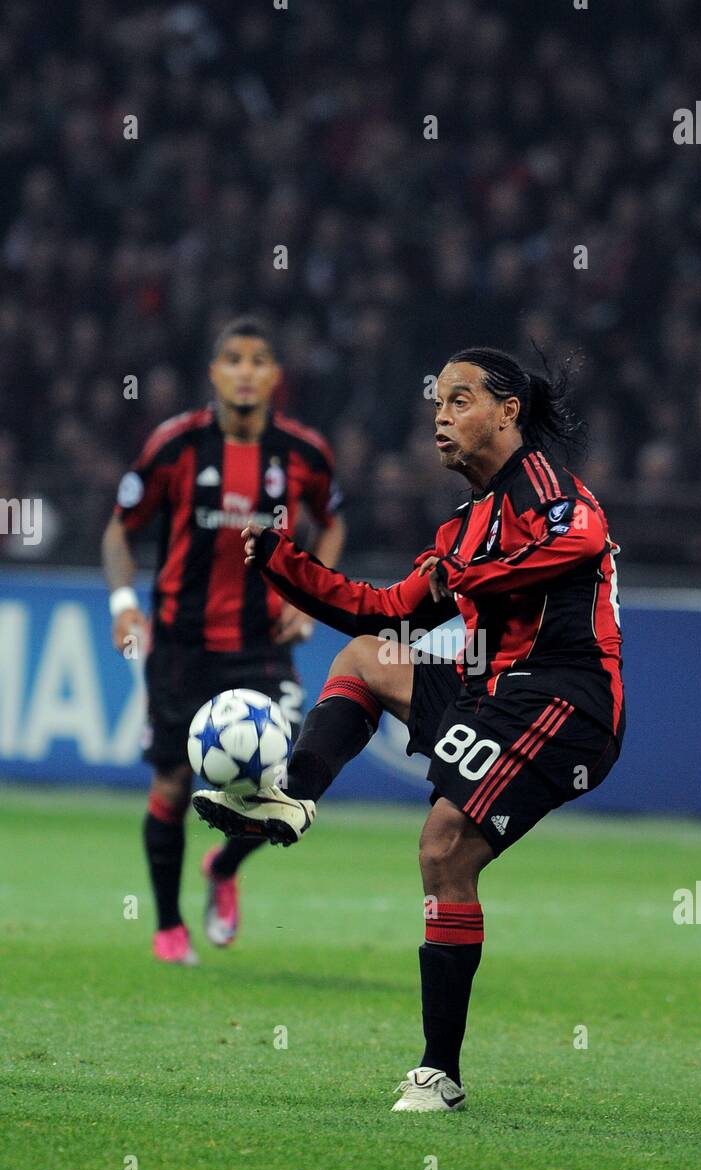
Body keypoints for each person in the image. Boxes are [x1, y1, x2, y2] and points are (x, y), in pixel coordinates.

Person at [194, 347, 624, 1107]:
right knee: (365, 657)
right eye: (436, 404)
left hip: (565, 695)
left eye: (460, 400)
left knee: (442, 841)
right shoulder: (462, 526)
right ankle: (290, 796)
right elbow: (385, 610)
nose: (440, 416)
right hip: (491, 687)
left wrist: (473, 577)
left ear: (507, 411)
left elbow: (582, 541)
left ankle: (437, 1073)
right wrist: (283, 565)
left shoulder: (543, 486)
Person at [101, 316, 346, 964]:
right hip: (180, 647)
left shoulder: (303, 453)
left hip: (261, 646)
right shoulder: (174, 445)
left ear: (274, 376)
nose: (244, 370)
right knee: (174, 787)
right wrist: (125, 606)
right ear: (213, 372)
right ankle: (167, 925)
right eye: (232, 359)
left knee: (286, 785)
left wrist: (310, 593)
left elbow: (333, 521)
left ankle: (224, 866)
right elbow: (118, 530)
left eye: (258, 359)